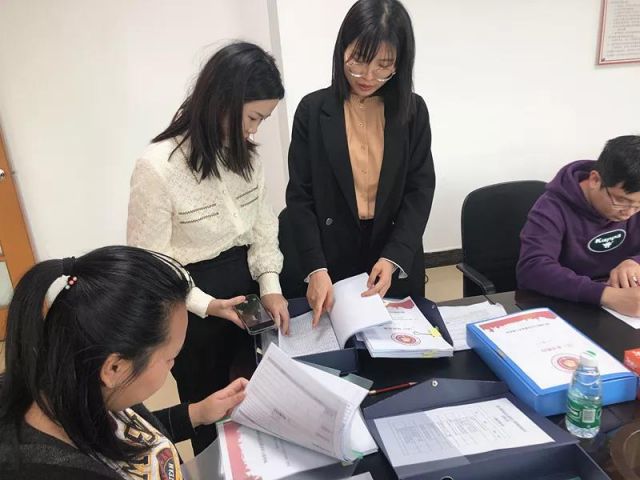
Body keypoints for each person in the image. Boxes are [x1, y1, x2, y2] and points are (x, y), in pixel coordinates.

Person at [127, 42, 288, 453]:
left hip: (248, 296)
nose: (254, 131)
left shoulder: (247, 159)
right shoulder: (158, 167)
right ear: (222, 101)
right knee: (209, 413)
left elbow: (263, 227)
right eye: (252, 118)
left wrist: (270, 285)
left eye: (262, 120)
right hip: (191, 306)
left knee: (257, 398)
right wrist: (206, 304)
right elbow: (150, 265)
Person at [0, 246, 248, 479]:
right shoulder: (47, 468)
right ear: (114, 368)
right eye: (170, 357)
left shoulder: (77, 381)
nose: (173, 365)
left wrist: (198, 413)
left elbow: (128, 433)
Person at [285, 0, 435, 326]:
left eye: (384, 65)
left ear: (400, 62)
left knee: (401, 344)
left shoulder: (413, 112)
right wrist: (315, 268)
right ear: (342, 50)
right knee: (340, 344)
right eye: (359, 61)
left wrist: (394, 257)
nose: (368, 76)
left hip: (393, 251)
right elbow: (300, 196)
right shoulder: (312, 111)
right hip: (332, 256)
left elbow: (420, 189)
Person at [517, 135, 640, 316]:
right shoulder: (552, 207)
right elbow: (533, 269)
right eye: (621, 201)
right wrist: (606, 295)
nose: (629, 212)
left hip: (624, 304)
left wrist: (635, 262)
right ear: (595, 180)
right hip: (570, 305)